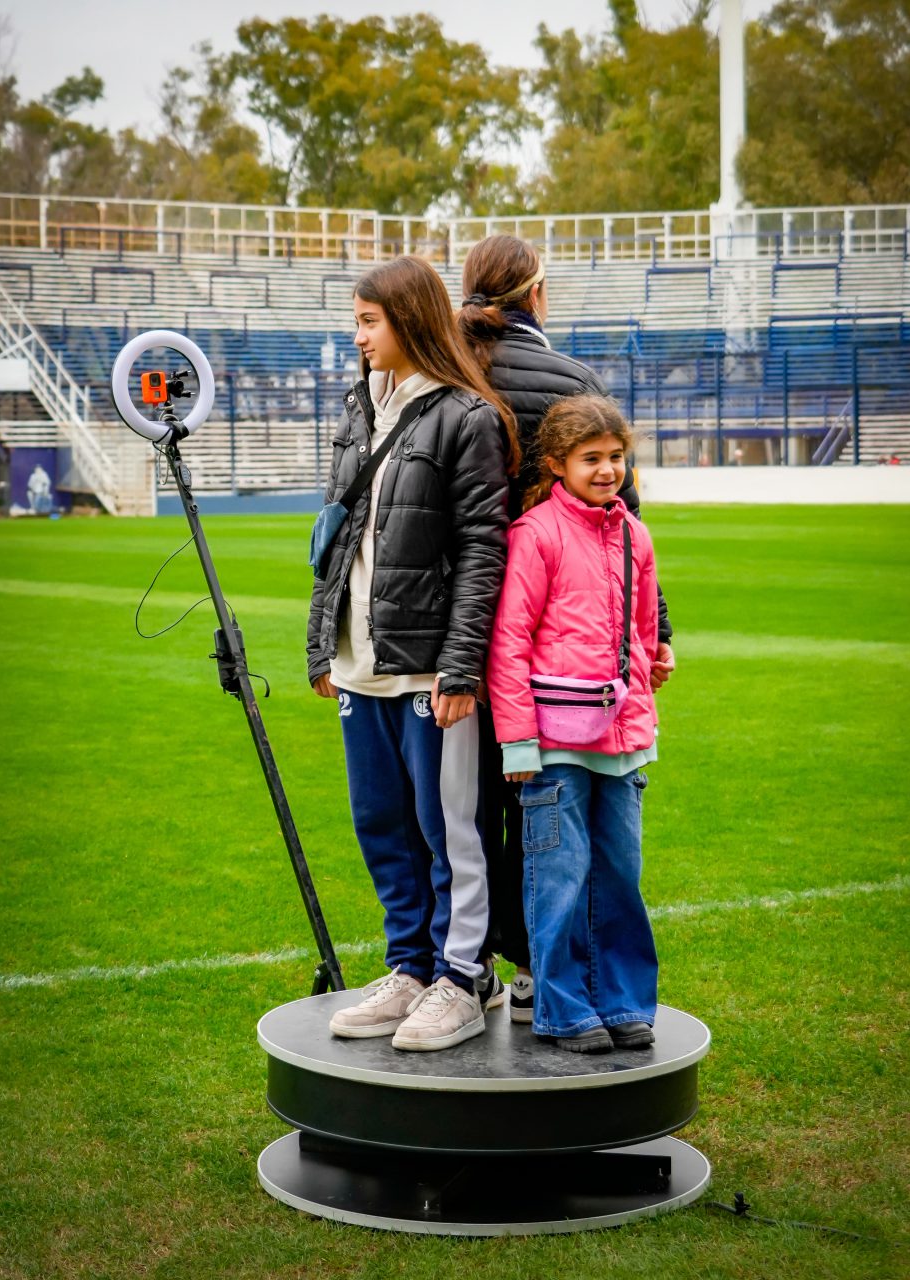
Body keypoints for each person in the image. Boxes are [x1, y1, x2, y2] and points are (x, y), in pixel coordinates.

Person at [457, 233, 674, 1022]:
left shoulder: (451, 369)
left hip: (458, 628)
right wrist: (659, 633)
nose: (605, 467)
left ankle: (461, 969)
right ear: (538, 294)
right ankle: (535, 977)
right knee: (547, 821)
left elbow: (623, 531)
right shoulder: (574, 380)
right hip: (552, 637)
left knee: (468, 811)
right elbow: (626, 523)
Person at [307, 255, 516, 1052]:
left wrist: (460, 667)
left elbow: (482, 551)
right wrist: (323, 644)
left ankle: (464, 978)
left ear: (411, 320)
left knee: (447, 829)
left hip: (431, 670)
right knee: (381, 822)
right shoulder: (359, 405)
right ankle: (411, 967)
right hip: (361, 661)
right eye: (356, 321)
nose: (357, 336)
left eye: (369, 322)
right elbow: (338, 533)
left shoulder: (467, 417)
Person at [486, 395, 659, 1053]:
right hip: (554, 744)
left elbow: (643, 632)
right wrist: (517, 740)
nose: (608, 469)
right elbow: (509, 641)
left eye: (616, 457)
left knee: (620, 877)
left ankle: (622, 1001)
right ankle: (562, 1008)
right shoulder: (534, 534)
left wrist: (647, 684)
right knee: (559, 878)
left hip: (624, 740)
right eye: (592, 458)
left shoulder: (635, 535)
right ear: (558, 463)